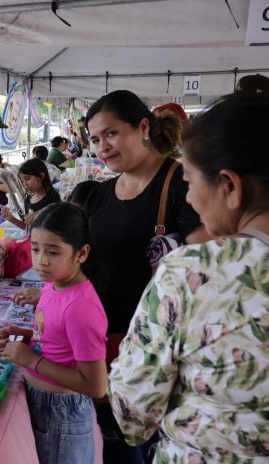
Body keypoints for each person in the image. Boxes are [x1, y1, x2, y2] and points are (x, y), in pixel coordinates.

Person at [108, 93, 269, 462]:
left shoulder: (190, 272)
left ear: (230, 186)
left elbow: (133, 414)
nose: (192, 199)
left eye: (191, 182)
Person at [83, 89, 208, 463]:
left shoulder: (184, 185)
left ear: (142, 127)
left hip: (157, 354)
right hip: (102, 344)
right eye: (94, 139)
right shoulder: (98, 195)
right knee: (110, 443)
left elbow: (205, 269)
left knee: (142, 447)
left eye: (111, 133)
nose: (102, 147)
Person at [0, 202, 108, 464]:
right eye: (36, 249)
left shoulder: (81, 308)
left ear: (81, 254)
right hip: (44, 403)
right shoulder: (52, 285)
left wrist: (31, 360)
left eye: (53, 252)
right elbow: (55, 339)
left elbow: (96, 386)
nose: (41, 261)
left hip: (61, 413)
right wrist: (22, 336)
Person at [1, 158, 62, 230]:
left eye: (27, 179)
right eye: (22, 181)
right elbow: (28, 228)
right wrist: (12, 219)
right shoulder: (27, 200)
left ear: (41, 176)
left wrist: (38, 215)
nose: (25, 184)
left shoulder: (53, 196)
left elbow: (59, 221)